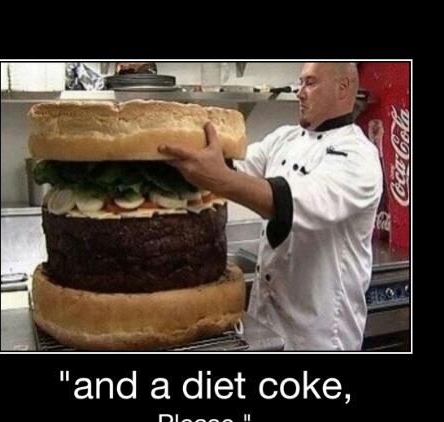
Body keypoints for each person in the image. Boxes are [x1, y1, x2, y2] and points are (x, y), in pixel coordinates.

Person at [158, 62, 383, 351]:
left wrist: (220, 178)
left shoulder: (359, 158)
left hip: (319, 339)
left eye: (311, 83)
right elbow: (236, 168)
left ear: (343, 88)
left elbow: (291, 202)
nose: (300, 92)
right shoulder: (285, 138)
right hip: (265, 329)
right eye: (300, 82)